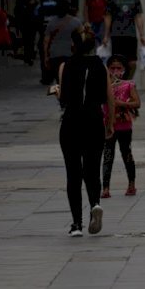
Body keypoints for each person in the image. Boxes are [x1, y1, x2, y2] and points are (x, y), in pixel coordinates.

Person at [55, 28, 115, 237]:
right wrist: (110, 123)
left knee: (73, 173)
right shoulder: (101, 66)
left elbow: (63, 98)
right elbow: (110, 98)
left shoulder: (66, 66)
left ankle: (76, 224)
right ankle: (95, 204)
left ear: (73, 45)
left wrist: (56, 91)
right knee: (92, 169)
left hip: (71, 122)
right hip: (94, 121)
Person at [101, 55, 139, 198]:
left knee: (127, 154)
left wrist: (123, 104)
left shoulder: (128, 85)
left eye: (119, 68)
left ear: (124, 70)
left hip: (124, 126)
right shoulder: (104, 86)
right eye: (112, 68)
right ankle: (105, 188)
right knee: (108, 156)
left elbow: (137, 103)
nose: (116, 71)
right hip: (109, 126)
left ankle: (131, 184)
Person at [103, 0, 145, 74]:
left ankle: (128, 81)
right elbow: (108, 17)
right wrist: (106, 35)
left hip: (130, 35)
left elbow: (138, 17)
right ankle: (117, 83)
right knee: (116, 62)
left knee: (132, 63)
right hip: (117, 35)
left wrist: (142, 35)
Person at [43, 1, 83, 87]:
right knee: (70, 77)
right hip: (70, 53)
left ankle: (61, 96)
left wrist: (46, 56)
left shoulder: (51, 23)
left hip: (54, 54)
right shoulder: (76, 22)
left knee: (59, 78)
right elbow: (82, 38)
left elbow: (46, 41)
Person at [15, 0, 39, 66]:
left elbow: (16, 12)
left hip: (26, 25)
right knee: (30, 41)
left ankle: (28, 56)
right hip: (30, 25)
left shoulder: (23, 3)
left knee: (27, 41)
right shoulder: (35, 4)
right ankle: (29, 56)